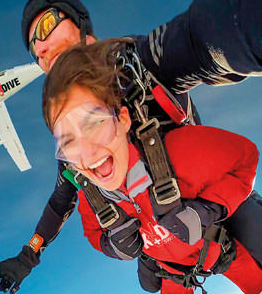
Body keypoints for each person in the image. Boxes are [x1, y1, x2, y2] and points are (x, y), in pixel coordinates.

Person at [0, 0, 262, 293]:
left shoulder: (138, 65)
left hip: (219, 202)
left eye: (45, 25)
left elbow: (201, 38)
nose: (39, 47)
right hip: (163, 244)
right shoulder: (76, 147)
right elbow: (62, 201)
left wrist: (245, 19)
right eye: (32, 47)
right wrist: (30, 254)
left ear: (82, 25)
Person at [42, 40, 262, 293]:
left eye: (94, 123)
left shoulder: (176, 154)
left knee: (256, 284)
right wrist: (110, 246)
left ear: (122, 119)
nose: (87, 150)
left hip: (219, 252)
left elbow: (245, 158)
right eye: (68, 141)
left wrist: (208, 210)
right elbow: (92, 232)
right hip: (171, 274)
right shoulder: (92, 197)